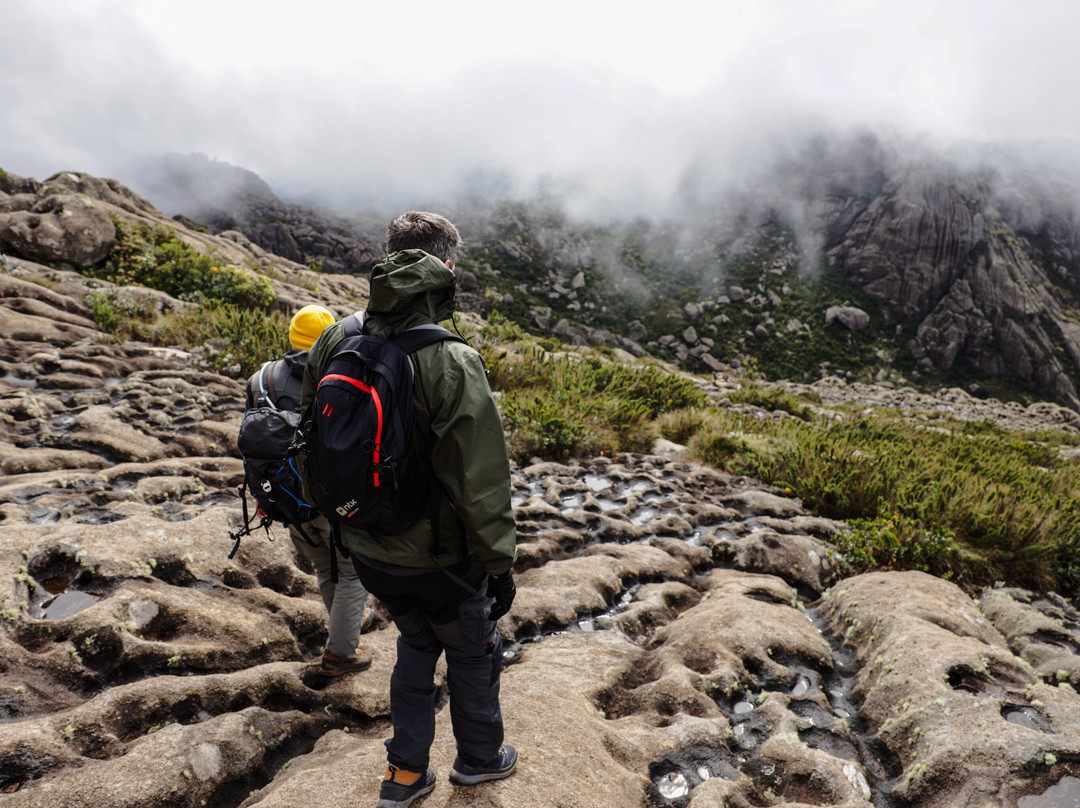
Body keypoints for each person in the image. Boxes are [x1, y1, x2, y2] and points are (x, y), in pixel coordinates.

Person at [300, 212, 518, 808]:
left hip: (367, 547)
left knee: (416, 645)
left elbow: (312, 436)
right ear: (445, 268)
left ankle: (403, 775)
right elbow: (480, 479)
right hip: (441, 558)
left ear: (390, 256)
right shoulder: (451, 359)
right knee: (473, 650)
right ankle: (478, 762)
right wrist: (500, 565)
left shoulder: (335, 338)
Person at [246, 304, 373, 676]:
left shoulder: (261, 379)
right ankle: (341, 653)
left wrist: (262, 498)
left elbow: (251, 446)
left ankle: (344, 622)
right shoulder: (339, 378)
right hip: (333, 499)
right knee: (350, 572)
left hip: (284, 498)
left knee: (323, 564)